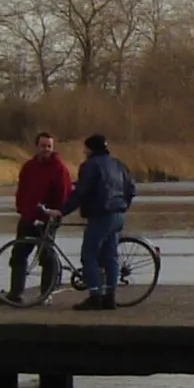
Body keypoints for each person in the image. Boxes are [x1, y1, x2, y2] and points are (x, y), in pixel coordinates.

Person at [58, 132, 136, 310]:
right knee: (110, 257)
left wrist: (62, 211)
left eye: (85, 148)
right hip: (118, 214)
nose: (84, 151)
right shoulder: (118, 164)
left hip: (101, 215)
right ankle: (110, 297)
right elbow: (131, 189)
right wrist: (123, 205)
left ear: (91, 148)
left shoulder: (90, 166)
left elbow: (81, 193)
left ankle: (94, 296)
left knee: (89, 255)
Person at [7, 132, 72, 303]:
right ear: (37, 146)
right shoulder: (29, 167)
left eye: (49, 146)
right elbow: (21, 191)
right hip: (28, 217)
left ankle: (46, 293)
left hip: (48, 219)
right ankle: (15, 293)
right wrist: (22, 209)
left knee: (46, 256)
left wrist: (57, 212)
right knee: (18, 254)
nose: (46, 149)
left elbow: (65, 194)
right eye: (43, 146)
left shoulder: (60, 168)